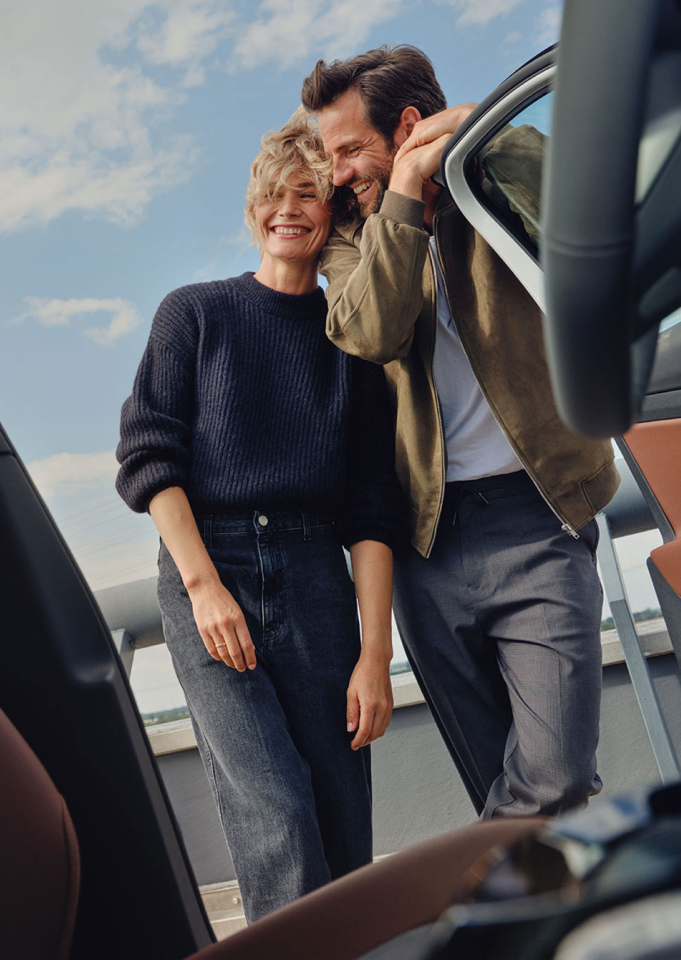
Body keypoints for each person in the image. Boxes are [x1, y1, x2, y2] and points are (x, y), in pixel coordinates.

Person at [300, 46, 621, 819]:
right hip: (428, 544)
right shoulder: (356, 232)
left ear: (407, 123)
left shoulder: (499, 162)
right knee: (497, 786)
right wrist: (402, 192)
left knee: (555, 778)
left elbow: (591, 231)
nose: (337, 172)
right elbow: (370, 330)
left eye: (348, 149)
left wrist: (485, 134)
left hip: (539, 517)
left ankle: (483, 913)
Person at [116, 114, 406, 922]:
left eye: (309, 194)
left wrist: (375, 653)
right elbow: (148, 457)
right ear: (253, 210)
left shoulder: (351, 346)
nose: (288, 209)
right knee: (275, 812)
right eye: (274, 194)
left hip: (318, 581)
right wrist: (205, 587)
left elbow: (372, 509)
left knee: (343, 823)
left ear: (330, 214)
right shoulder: (193, 314)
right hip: (210, 572)